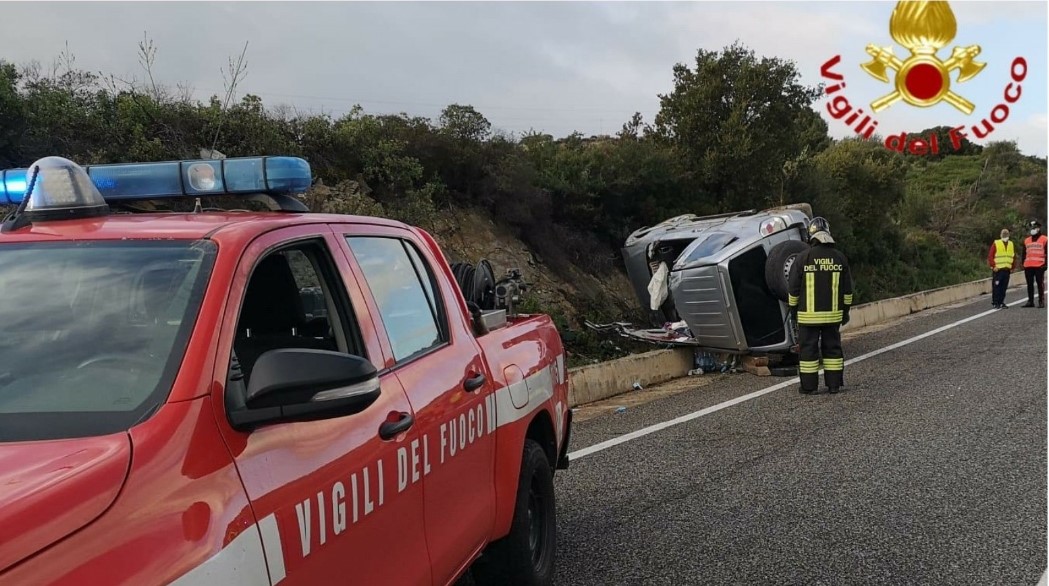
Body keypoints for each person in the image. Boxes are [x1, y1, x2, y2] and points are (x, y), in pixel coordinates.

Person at [787, 217, 853, 395]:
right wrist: (845, 312)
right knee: (832, 349)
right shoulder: (839, 258)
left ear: (811, 235)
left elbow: (793, 290)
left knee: (808, 351)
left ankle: (809, 387)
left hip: (808, 317)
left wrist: (794, 313)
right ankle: (834, 385)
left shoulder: (803, 258)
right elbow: (848, 292)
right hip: (833, 317)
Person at [987, 228, 1017, 309]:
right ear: (1001, 235)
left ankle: (1001, 302)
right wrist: (993, 266)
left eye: (1006, 235)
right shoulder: (996, 243)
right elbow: (990, 256)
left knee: (1004, 287)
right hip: (998, 270)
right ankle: (995, 302)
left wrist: (1013, 267)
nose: (1005, 236)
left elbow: (1013, 256)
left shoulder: (1011, 244)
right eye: (1004, 235)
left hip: (1007, 269)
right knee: (997, 287)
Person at [1022, 219, 1047, 308]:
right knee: (1029, 284)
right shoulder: (1026, 240)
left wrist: (1046, 264)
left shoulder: (1045, 239)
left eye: (1035, 227)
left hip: (1040, 266)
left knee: (1040, 284)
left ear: (1039, 228)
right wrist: (1023, 264)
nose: (1032, 229)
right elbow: (1024, 253)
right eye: (1031, 227)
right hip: (1028, 266)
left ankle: (1041, 301)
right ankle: (1030, 301)